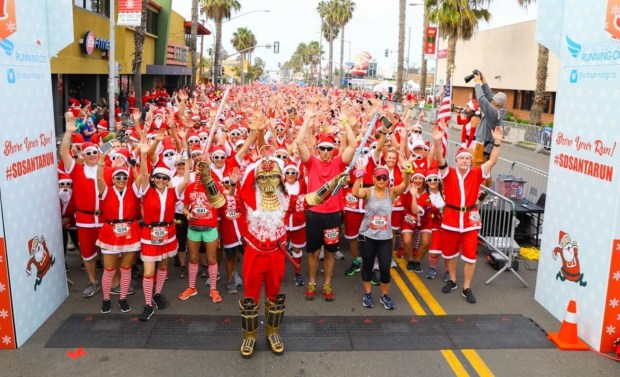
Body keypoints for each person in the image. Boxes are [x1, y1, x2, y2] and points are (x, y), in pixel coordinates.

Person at [200, 146, 348, 358]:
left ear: (280, 179)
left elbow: (312, 199)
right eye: (263, 178)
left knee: (275, 296)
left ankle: (273, 333)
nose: (268, 182)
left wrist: (333, 182)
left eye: (273, 177)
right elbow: (219, 201)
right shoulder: (246, 201)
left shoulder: (286, 200)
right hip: (253, 254)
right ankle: (249, 336)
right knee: (250, 299)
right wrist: (206, 178)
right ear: (255, 180)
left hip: (276, 255)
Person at [431, 120, 503, 304]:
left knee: (470, 255)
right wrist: (437, 142)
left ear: (471, 161)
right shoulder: (448, 173)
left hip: (470, 220)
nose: (465, 160)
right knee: (449, 253)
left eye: (467, 158)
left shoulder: (477, 173)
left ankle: (467, 287)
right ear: (456, 160)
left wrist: (497, 143)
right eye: (462, 158)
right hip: (451, 218)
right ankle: (453, 280)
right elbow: (439, 158)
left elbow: (493, 160)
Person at [295, 108, 356, 302]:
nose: (327, 152)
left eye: (330, 148)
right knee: (313, 252)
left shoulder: (339, 163)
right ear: (318, 149)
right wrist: (306, 119)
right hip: (314, 214)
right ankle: (312, 283)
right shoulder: (311, 162)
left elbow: (353, 145)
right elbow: (299, 142)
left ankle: (327, 284)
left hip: (332, 215)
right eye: (323, 148)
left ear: (333, 150)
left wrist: (345, 123)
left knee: (330, 252)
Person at [137, 139, 190, 321]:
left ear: (168, 180)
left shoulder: (173, 192)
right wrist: (144, 155)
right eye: (158, 177)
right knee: (149, 271)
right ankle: (147, 304)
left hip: (168, 234)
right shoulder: (146, 190)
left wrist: (187, 156)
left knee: (164, 266)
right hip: (149, 235)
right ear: (153, 179)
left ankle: (157, 294)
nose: (161, 180)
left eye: (164, 178)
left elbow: (187, 179)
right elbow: (143, 175)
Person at [352, 160, 411, 310]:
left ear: (388, 180)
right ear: (373, 178)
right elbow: (355, 193)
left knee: (385, 268)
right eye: (379, 178)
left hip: (385, 237)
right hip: (367, 236)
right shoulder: (368, 191)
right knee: (368, 266)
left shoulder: (391, 192)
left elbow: (405, 184)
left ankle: (384, 295)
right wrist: (359, 176)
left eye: (384, 178)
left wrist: (408, 171)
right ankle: (368, 294)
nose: (381, 181)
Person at [60, 113, 103, 298]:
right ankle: (93, 281)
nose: (92, 155)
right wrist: (68, 134)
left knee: (110, 251)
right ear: (83, 156)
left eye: (95, 152)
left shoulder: (106, 169)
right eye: (88, 153)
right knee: (87, 253)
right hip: (85, 219)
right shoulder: (77, 170)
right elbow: (63, 153)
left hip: (104, 218)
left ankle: (114, 282)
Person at [95, 151, 143, 314]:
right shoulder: (107, 190)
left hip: (130, 231)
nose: (121, 180)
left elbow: (142, 177)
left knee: (126, 268)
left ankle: (122, 298)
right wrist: (102, 159)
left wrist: (133, 166)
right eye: (118, 177)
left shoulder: (133, 190)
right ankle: (106, 298)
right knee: (109, 269)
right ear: (113, 179)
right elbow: (100, 178)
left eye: (124, 177)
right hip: (110, 231)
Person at [472, 71, 506, 195]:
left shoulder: (493, 111)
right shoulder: (499, 108)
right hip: (488, 144)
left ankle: (479, 194)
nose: (491, 100)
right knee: (487, 170)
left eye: (493, 101)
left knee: (479, 170)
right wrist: (483, 79)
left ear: (496, 103)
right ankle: (487, 193)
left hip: (483, 145)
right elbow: (489, 94)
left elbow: (482, 99)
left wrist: (477, 83)